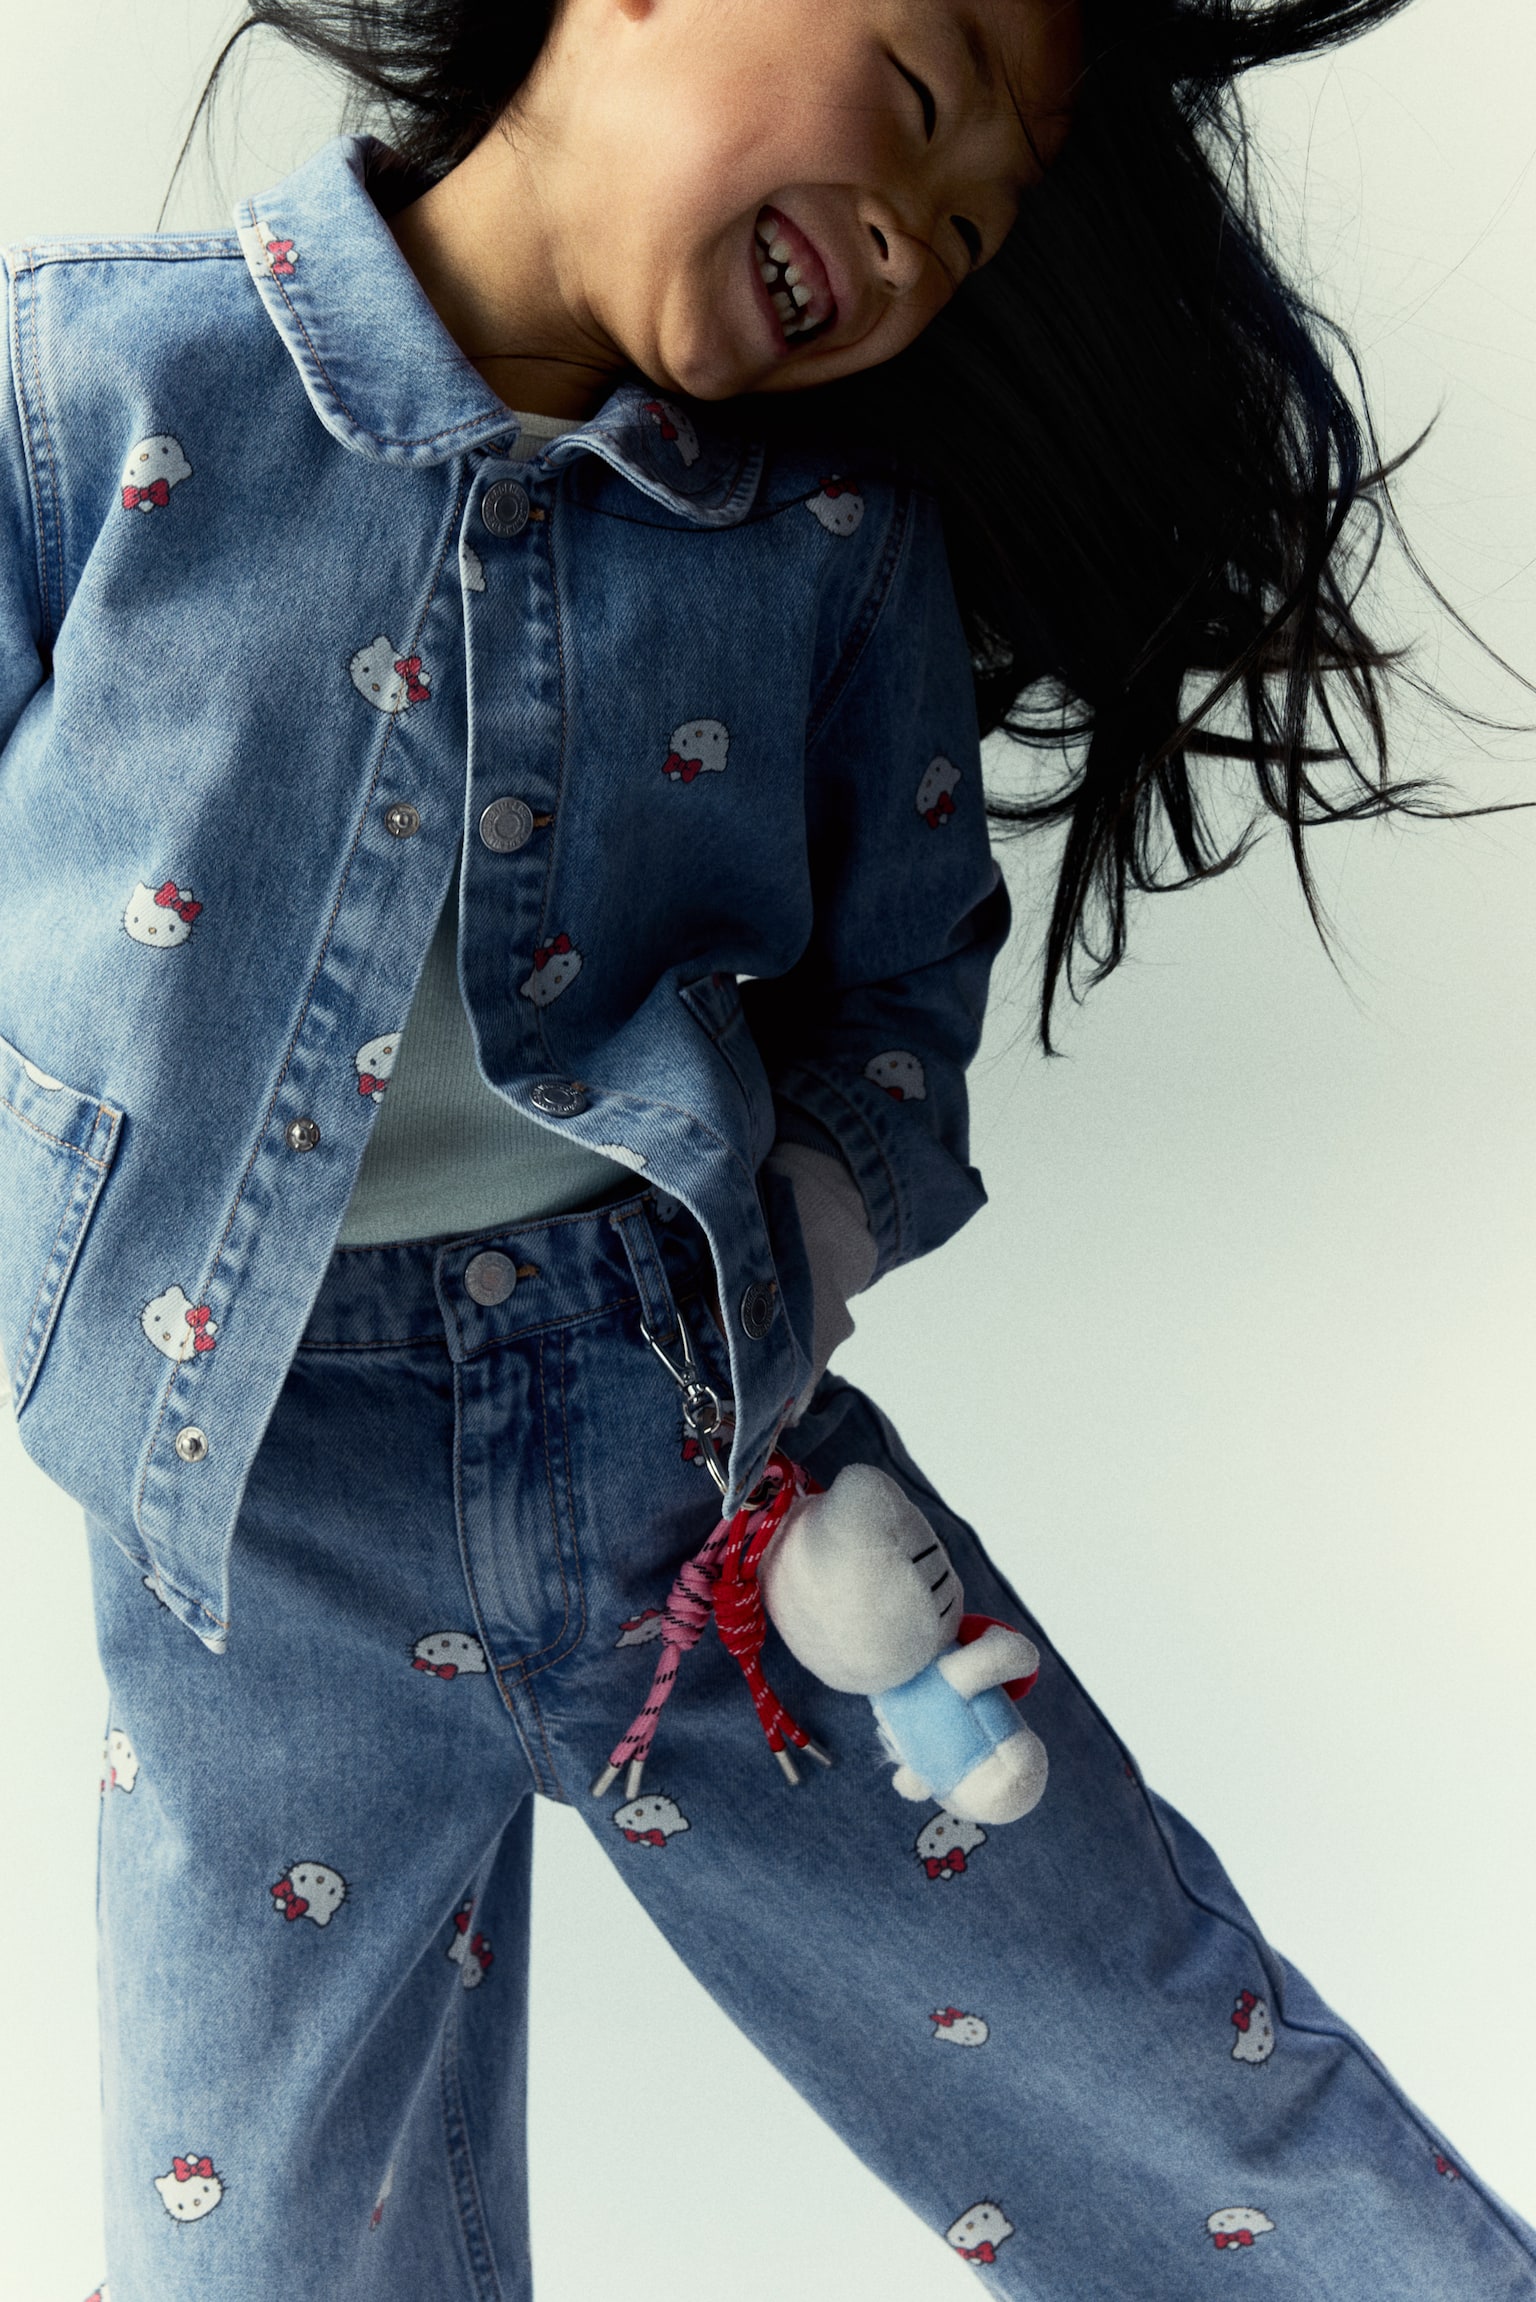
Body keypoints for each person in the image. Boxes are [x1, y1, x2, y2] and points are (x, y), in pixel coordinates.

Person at [0, 0, 1529, 2293]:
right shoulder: (98, 394)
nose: (914, 240)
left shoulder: (826, 539)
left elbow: (904, 995)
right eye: (915, 103)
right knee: (262, 2255)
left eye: (969, 231)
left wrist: (788, 1266)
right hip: (249, 1533)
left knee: (1170, 2087)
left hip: (703, 1476)